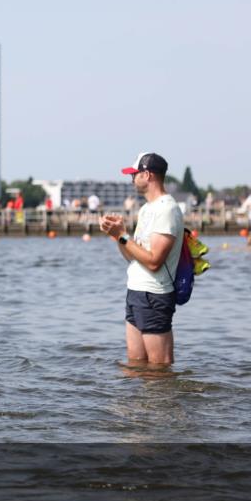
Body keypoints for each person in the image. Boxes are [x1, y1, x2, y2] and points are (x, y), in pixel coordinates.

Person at [99, 153, 184, 365]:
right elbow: (134, 257)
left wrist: (123, 236)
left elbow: (154, 261)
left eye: (134, 174)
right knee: (135, 365)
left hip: (154, 294)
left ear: (147, 175)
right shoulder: (147, 209)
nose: (131, 179)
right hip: (136, 291)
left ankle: (166, 400)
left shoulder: (167, 209)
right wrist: (117, 236)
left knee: (159, 370)